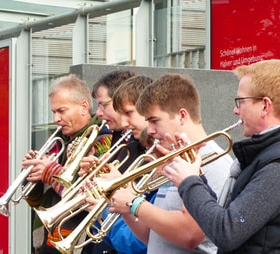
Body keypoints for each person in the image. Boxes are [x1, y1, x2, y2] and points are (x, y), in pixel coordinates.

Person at [162, 59, 280, 253]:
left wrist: (188, 182)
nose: (235, 110)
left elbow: (228, 231)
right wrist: (195, 174)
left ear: (265, 106)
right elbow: (233, 218)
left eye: (240, 101)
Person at [108, 73, 232, 253]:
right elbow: (151, 236)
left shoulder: (211, 160)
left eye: (154, 120)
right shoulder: (177, 160)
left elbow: (189, 234)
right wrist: (123, 201)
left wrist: (134, 204)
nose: (149, 131)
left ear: (182, 116)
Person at [22, 74, 111, 254]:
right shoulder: (58, 142)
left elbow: (84, 194)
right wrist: (32, 176)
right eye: (54, 112)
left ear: (83, 107)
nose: (56, 118)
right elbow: (35, 202)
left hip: (77, 242)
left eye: (62, 111)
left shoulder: (103, 140)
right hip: (47, 239)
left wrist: (49, 171)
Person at [84, 70, 148, 254]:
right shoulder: (121, 141)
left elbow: (140, 238)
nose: (98, 113)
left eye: (104, 105)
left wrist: (114, 188)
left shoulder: (142, 150)